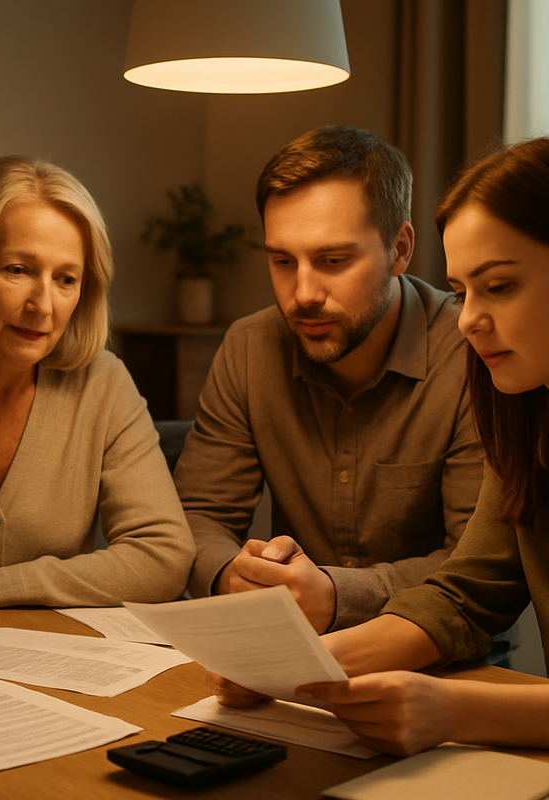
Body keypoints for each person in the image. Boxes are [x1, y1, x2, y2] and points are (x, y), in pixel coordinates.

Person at [214, 136, 549, 755]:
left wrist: (453, 710)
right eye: (463, 289)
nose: (470, 317)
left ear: (398, 250)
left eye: (499, 287)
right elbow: (467, 591)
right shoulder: (522, 407)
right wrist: (298, 666)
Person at [174, 126, 484, 634]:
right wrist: (235, 574)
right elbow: (196, 516)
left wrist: (336, 595)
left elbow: (476, 563)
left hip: (447, 666)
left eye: (333, 260)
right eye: (281, 261)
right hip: (289, 652)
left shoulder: (473, 353)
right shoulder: (250, 347)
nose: (303, 293)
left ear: (400, 250)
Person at [0, 156, 195, 612]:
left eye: (65, 279)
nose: (43, 305)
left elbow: (164, 556)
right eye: (18, 270)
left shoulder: (103, 385)